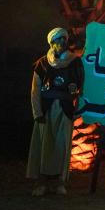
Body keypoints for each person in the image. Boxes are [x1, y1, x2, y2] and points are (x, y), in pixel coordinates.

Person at [27, 27, 84, 196]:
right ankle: (42, 183)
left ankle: (60, 183)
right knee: (44, 145)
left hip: (65, 110)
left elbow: (80, 88)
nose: (61, 42)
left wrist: (77, 110)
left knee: (62, 145)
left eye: (63, 39)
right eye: (58, 39)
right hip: (46, 109)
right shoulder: (42, 63)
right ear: (51, 43)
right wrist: (37, 113)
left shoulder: (75, 62)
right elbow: (35, 90)